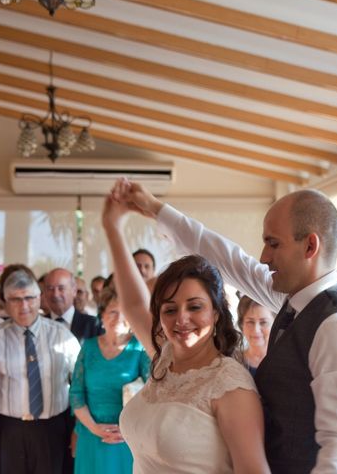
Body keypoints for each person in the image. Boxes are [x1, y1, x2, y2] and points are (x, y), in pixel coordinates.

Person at [112, 178, 337, 473]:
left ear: (310, 245)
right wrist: (156, 209)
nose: (264, 256)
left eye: (273, 243)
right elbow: (229, 259)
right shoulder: (291, 299)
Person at [102, 189, 270, 473]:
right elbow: (132, 303)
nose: (181, 319)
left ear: (216, 312)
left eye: (194, 307)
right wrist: (112, 227)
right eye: (170, 309)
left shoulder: (230, 385)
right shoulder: (165, 357)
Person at [0, 270, 81, 474]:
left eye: (29, 298)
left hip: (52, 428)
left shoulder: (62, 335)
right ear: (6, 302)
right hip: (6, 430)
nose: (24, 306)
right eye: (15, 300)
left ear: (39, 298)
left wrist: (78, 429)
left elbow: (80, 385)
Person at [70, 285, 149, 474]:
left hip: (127, 438)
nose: (119, 318)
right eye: (113, 312)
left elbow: (151, 395)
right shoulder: (88, 348)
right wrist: (94, 428)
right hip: (91, 434)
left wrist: (127, 430)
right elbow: (76, 393)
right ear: (102, 315)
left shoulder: (140, 350)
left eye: (124, 313)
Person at [43, 268, 102, 343]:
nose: (55, 294)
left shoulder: (93, 325)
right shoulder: (38, 325)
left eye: (61, 288)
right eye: (50, 289)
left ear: (74, 291)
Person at [237, 296, 274, 376]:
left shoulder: (285, 363)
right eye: (250, 322)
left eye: (263, 322)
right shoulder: (233, 362)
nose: (256, 330)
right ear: (241, 324)